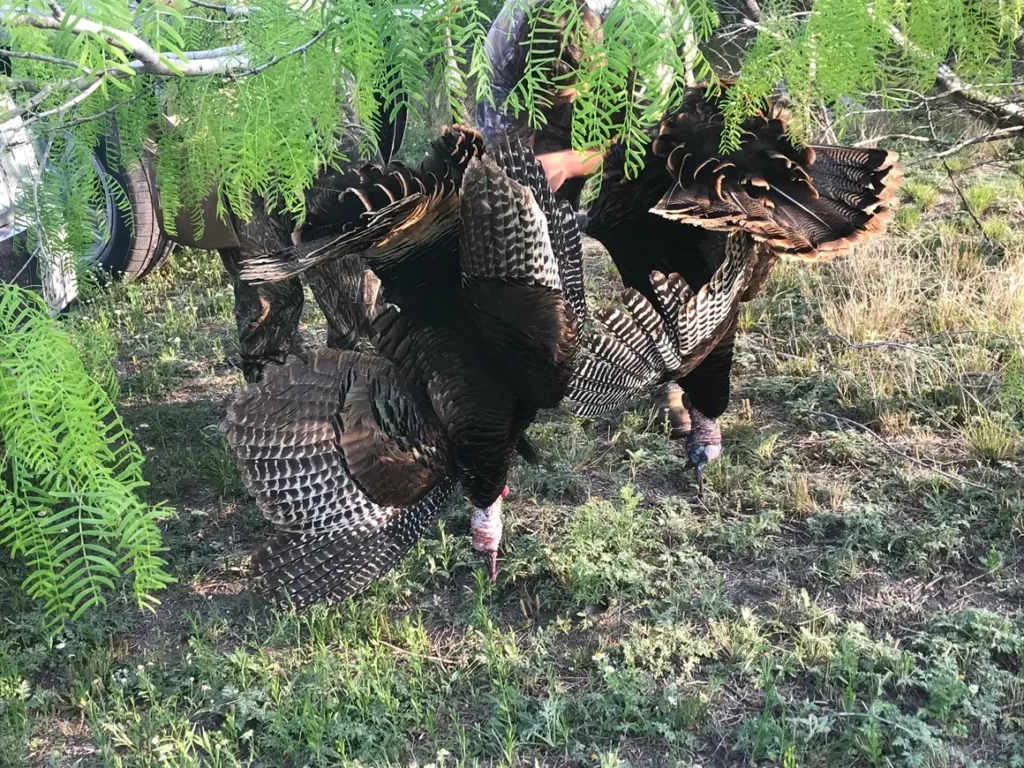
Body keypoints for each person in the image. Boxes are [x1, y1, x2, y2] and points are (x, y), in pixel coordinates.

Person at [477, 0, 693, 439]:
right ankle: (538, 355)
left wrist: (576, 161)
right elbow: (498, 138)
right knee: (518, 217)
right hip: (534, 110)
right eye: (557, 93)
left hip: (638, 110)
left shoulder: (645, 32)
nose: (568, 100)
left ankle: (671, 372)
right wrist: (527, 179)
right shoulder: (507, 37)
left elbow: (656, 135)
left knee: (651, 225)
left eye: (572, 90)